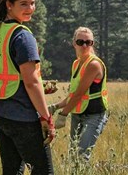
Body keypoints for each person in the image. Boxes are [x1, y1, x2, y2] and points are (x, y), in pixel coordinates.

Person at [0, 0, 55, 175]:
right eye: (24, 4)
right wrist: (46, 118)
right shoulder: (23, 36)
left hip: (0, 114)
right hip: (23, 118)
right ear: (10, 5)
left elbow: (12, 73)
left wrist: (41, 87)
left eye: (33, 3)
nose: (30, 9)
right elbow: (31, 82)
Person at [49, 27, 108, 162]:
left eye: (89, 42)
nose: (85, 45)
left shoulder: (93, 64)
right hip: (78, 114)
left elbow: (79, 94)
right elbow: (72, 94)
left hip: (94, 116)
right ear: (74, 43)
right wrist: (55, 106)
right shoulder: (76, 64)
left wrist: (63, 114)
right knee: (73, 155)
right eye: (81, 42)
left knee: (81, 157)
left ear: (93, 44)